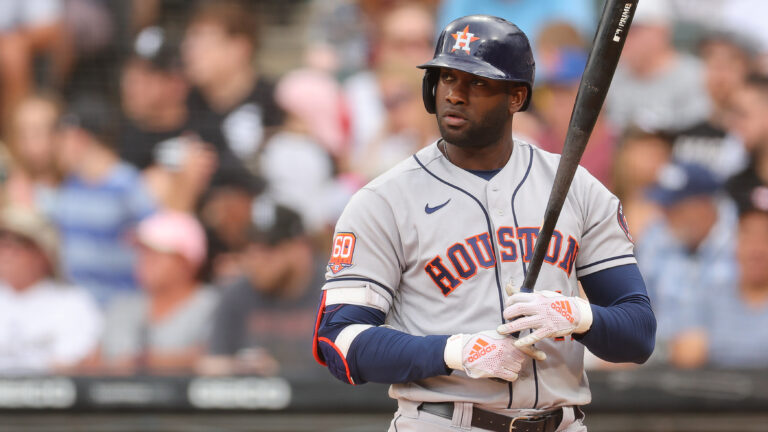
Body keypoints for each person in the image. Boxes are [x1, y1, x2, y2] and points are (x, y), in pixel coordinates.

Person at [312, 15, 656, 432]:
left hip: (561, 422)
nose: (455, 95)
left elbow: (638, 334)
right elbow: (339, 342)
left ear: (516, 97)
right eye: (446, 78)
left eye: (477, 82)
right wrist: (457, 351)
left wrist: (578, 316)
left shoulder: (577, 189)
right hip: (443, 421)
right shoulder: (382, 201)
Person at [39, 95, 157, 306]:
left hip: (121, 306)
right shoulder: (69, 187)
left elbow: (155, 239)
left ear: (79, 137)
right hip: (76, 307)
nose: (56, 149)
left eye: (61, 138)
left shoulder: (127, 184)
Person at [201, 200, 317, 377]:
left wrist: (282, 371)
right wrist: (240, 366)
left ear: (300, 247)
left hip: (327, 402)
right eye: (249, 248)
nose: (255, 260)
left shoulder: (335, 293)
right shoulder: (237, 293)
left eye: (268, 249)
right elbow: (211, 363)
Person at [635, 162, 737, 362]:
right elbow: (637, 305)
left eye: (674, 208)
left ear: (703, 205)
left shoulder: (742, 239)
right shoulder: (656, 236)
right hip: (660, 360)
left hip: (728, 363)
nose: (665, 216)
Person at [99, 211, 217, 374]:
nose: (145, 260)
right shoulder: (122, 306)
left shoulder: (214, 306)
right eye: (142, 252)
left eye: (156, 253)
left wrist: (142, 362)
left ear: (187, 262)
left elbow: (216, 359)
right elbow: (95, 359)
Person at [668, 185, 768, 369]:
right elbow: (685, 354)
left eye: (765, 237)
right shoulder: (709, 295)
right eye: (747, 234)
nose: (757, 249)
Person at [0, 205, 102, 374]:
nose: (5, 254)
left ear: (44, 254)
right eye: (2, 244)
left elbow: (74, 368)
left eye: (16, 245)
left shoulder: (73, 303)